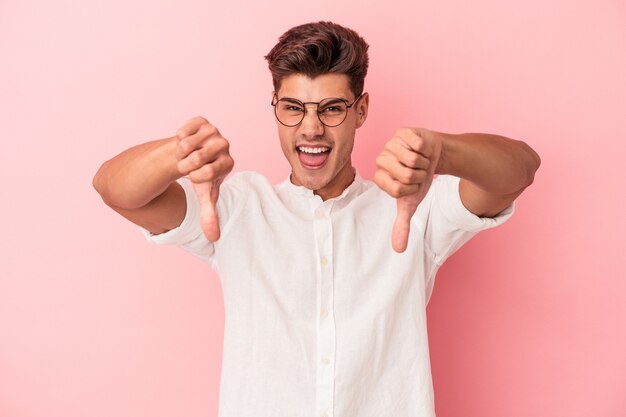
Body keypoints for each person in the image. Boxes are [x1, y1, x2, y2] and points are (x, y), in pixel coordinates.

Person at [93, 21, 540, 417]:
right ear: (275, 109)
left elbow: (520, 171)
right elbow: (115, 189)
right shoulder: (238, 208)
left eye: (331, 108)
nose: (310, 128)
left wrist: (444, 150)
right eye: (293, 108)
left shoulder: (412, 206)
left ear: (360, 110)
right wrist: (179, 154)